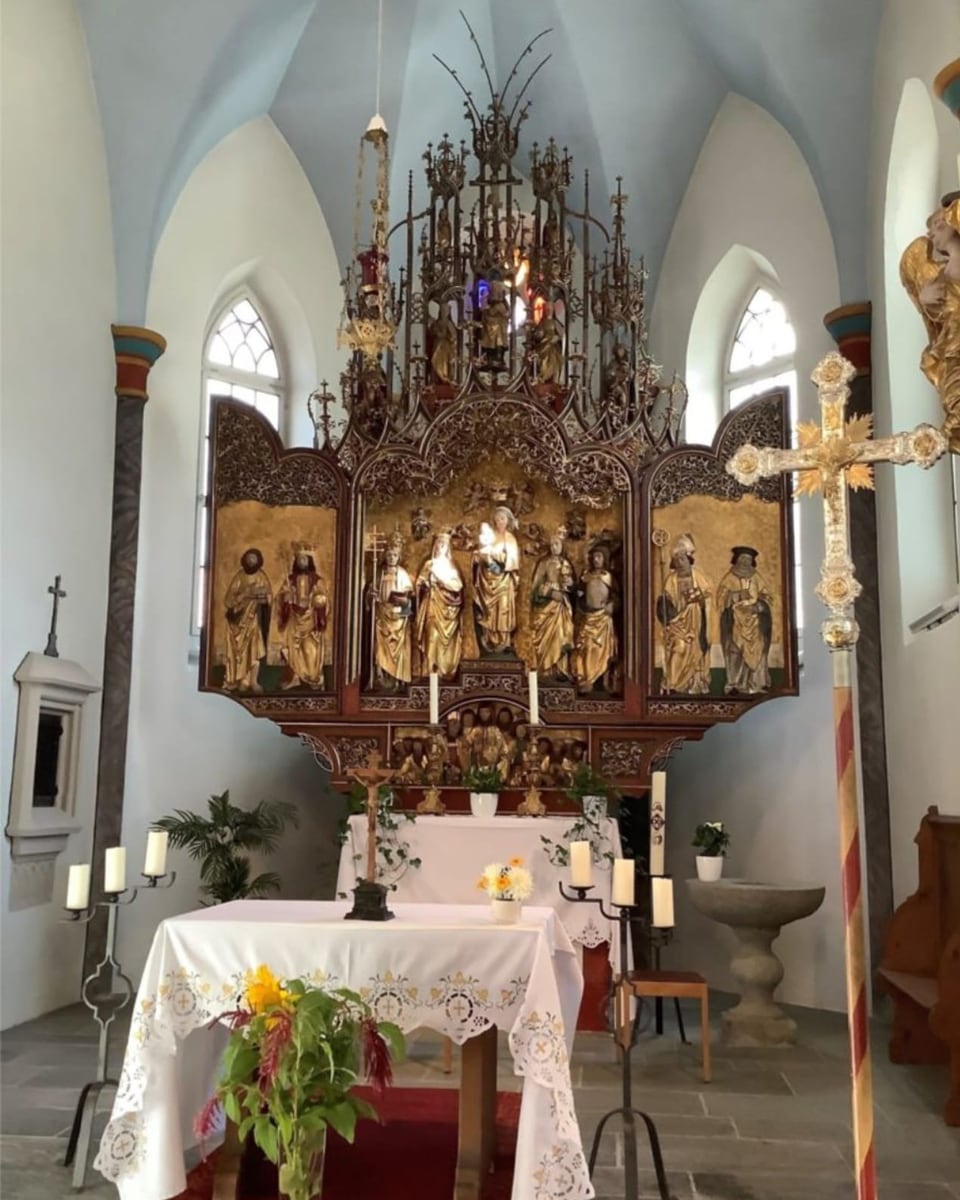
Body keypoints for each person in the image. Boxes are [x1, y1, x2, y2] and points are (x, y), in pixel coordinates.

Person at [901, 194, 960, 451]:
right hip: (952, 352)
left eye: (938, 225)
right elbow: (939, 319)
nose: (931, 233)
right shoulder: (936, 274)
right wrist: (925, 299)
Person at [656, 533, 712, 695]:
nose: (680, 563)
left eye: (683, 559)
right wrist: (666, 609)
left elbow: (708, 600)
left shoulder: (699, 578)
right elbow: (665, 604)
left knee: (695, 651)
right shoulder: (670, 580)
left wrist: (699, 600)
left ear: (690, 560)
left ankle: (694, 684)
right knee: (677, 649)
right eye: (677, 560)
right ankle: (672, 683)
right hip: (676, 624)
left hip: (695, 623)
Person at [717, 547, 773, 694]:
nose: (745, 562)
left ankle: (756, 684)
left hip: (754, 623)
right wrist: (736, 596)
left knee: (758, 650)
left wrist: (758, 605)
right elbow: (721, 600)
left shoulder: (757, 577)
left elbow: (767, 597)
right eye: (742, 558)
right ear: (736, 559)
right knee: (735, 651)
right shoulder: (729, 578)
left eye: (748, 559)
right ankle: (735, 684)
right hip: (736, 623)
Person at [223, 548, 272, 694]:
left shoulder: (262, 576)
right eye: (249, 558)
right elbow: (228, 600)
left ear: (258, 560)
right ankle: (243, 680)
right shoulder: (240, 577)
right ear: (245, 559)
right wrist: (245, 594)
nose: (252, 561)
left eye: (254, 558)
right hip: (240, 620)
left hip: (255, 619)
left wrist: (262, 598)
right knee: (242, 651)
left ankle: (254, 681)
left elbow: (269, 598)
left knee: (255, 649)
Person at [277, 548, 328, 689]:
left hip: (311, 618)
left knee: (310, 649)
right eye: (299, 559)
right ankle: (295, 677)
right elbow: (281, 598)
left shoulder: (317, 580)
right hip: (295, 617)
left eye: (304, 559)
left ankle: (312, 677)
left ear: (309, 561)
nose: (302, 562)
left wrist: (319, 600)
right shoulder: (290, 580)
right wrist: (286, 598)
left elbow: (324, 597)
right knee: (294, 648)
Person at [473, 506, 520, 655]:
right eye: (498, 518)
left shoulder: (510, 538)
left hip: (504, 580)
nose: (500, 521)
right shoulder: (489, 536)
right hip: (487, 579)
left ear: (508, 521)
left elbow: (512, 561)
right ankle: (488, 639)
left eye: (503, 518)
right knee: (489, 611)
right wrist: (478, 558)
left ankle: (503, 641)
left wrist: (495, 556)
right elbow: (481, 555)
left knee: (503, 609)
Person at [416, 531, 464, 677]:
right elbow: (418, 584)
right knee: (432, 635)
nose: (440, 547)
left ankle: (445, 671)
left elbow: (458, 586)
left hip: (448, 609)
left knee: (447, 641)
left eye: (444, 544)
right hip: (432, 603)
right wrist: (424, 584)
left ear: (448, 547)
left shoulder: (451, 567)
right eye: (438, 544)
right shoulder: (429, 565)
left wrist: (442, 582)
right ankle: (430, 670)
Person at [573, 546, 619, 693]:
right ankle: (586, 679)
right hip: (588, 617)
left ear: (605, 559)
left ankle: (603, 680)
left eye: (599, 557)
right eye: (594, 557)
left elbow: (617, 596)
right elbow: (579, 594)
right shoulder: (586, 576)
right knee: (586, 647)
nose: (596, 560)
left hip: (603, 619)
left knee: (603, 650)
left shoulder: (609, 577)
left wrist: (613, 605)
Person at [530, 531, 575, 679]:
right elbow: (535, 586)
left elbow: (573, 587)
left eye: (557, 544)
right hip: (547, 605)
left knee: (561, 635)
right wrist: (550, 593)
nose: (555, 547)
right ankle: (545, 669)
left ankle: (560, 669)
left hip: (561, 605)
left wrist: (570, 585)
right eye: (552, 544)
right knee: (545, 638)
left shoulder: (566, 564)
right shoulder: (544, 563)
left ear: (562, 546)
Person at [371, 534, 414, 689]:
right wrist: (372, 595)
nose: (391, 558)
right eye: (389, 555)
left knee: (398, 648)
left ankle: (397, 678)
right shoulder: (379, 573)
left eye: (395, 555)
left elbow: (408, 597)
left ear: (399, 557)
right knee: (381, 648)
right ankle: (381, 676)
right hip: (382, 615)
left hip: (398, 618)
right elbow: (372, 593)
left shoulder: (402, 574)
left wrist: (402, 603)